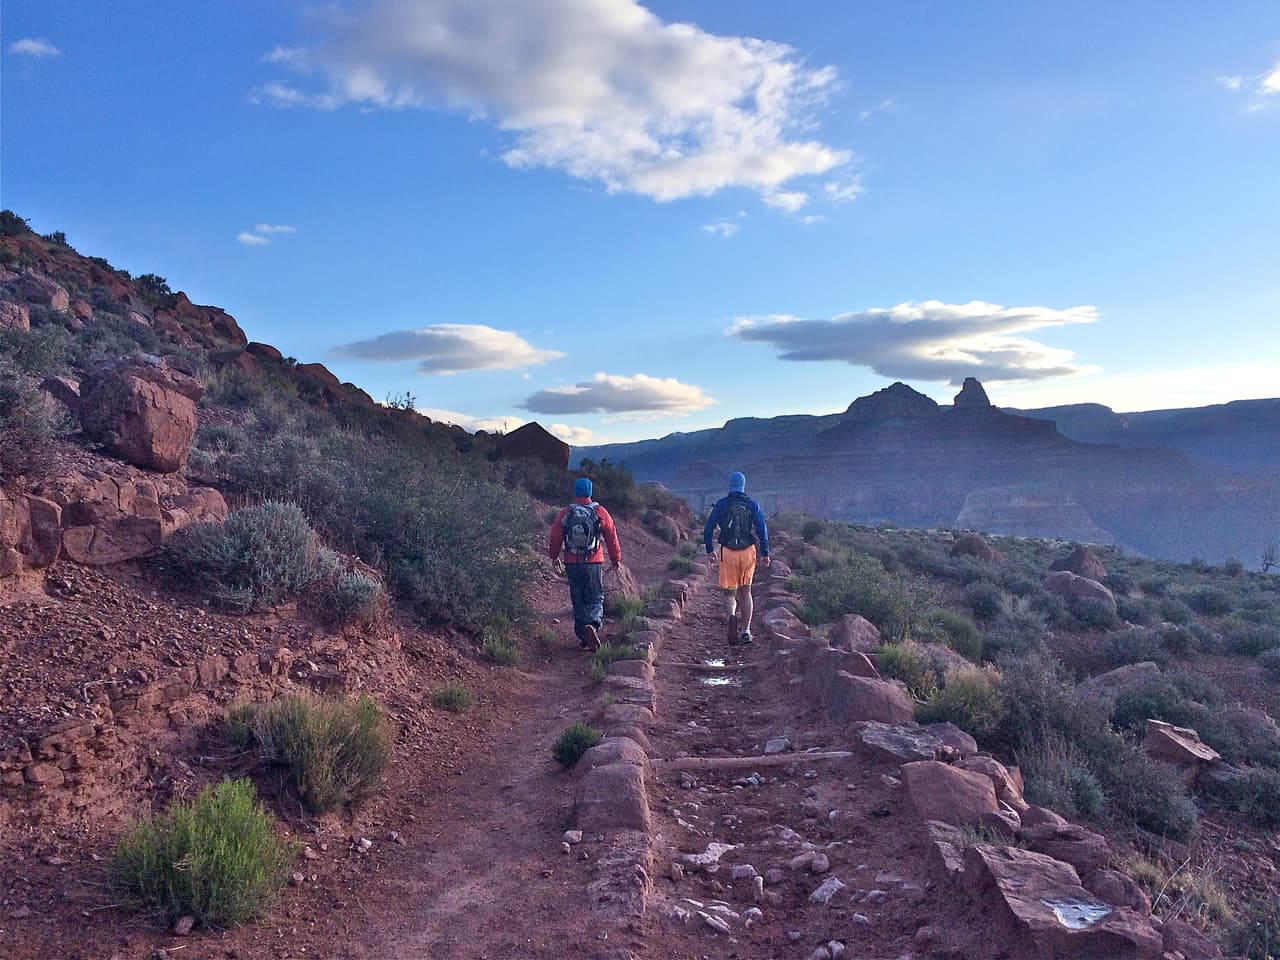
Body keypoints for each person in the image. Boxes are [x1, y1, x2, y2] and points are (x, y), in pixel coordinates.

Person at [549, 477, 622, 651]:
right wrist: (615, 559)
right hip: (593, 562)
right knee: (595, 597)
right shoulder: (599, 512)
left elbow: (555, 536)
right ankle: (593, 625)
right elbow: (612, 536)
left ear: (575, 492)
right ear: (590, 492)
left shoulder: (566, 513)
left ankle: (583, 639)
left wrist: (554, 556)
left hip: (571, 562)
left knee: (578, 599)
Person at [703, 471, 769, 645]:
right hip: (747, 552)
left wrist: (710, 550)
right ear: (743, 485)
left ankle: (732, 616)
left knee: (729, 593)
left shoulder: (721, 505)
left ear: (730, 486)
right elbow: (762, 529)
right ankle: (746, 631)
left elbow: (708, 528)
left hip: (728, 553)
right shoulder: (752, 505)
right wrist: (765, 553)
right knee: (746, 591)